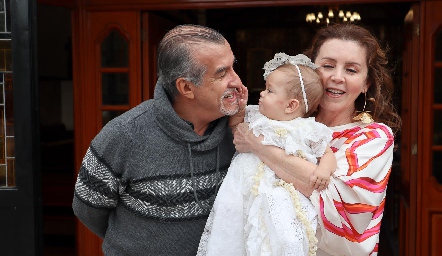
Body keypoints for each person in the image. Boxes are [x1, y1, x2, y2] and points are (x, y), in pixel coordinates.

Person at [72, 24, 247, 255]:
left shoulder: (242, 129)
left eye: (233, 67)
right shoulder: (125, 135)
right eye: (221, 73)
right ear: (186, 87)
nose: (236, 80)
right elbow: (88, 208)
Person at [233, 23, 401, 256]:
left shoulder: (373, 137)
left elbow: (338, 205)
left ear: (366, 84)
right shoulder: (282, 121)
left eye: (351, 70)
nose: (337, 77)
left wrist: (259, 146)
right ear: (310, 72)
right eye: (328, 65)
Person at [197, 53, 337, 256]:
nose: (262, 94)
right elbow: (237, 130)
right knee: (233, 232)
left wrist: (324, 170)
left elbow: (327, 153)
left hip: (280, 195)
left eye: (270, 91)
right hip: (241, 189)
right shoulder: (256, 117)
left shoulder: (307, 129)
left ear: (291, 105)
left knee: (280, 235)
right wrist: (239, 111)